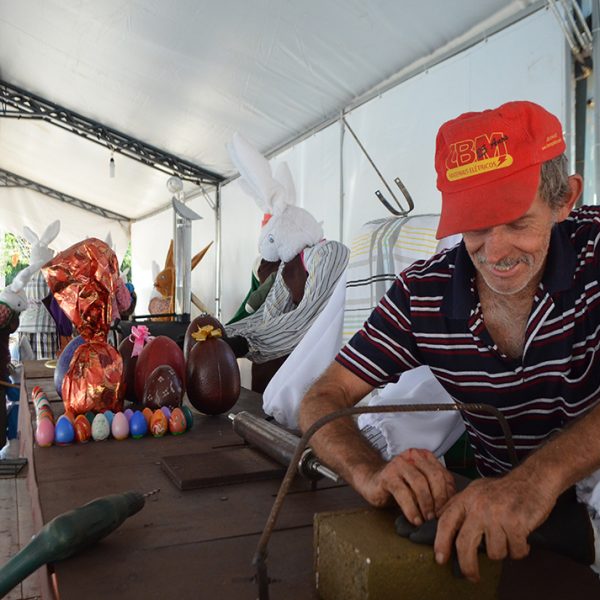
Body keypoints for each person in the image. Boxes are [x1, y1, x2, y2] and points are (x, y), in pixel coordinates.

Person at [299, 100, 600, 583]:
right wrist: (368, 472)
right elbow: (322, 398)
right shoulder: (425, 293)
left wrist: (535, 482)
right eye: (476, 226)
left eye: (519, 223)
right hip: (506, 523)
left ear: (564, 199)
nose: (496, 252)